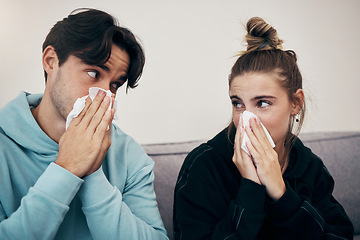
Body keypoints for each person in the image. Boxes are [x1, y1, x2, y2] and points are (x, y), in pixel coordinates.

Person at [173, 17, 354, 239]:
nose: (246, 119)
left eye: (263, 103)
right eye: (238, 104)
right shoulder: (204, 166)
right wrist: (251, 186)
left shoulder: (308, 167)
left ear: (295, 103)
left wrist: (281, 192)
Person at [0, 8, 168, 239]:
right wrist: (67, 167)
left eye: (115, 85)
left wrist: (92, 171)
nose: (104, 95)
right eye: (93, 73)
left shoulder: (129, 154)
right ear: (51, 61)